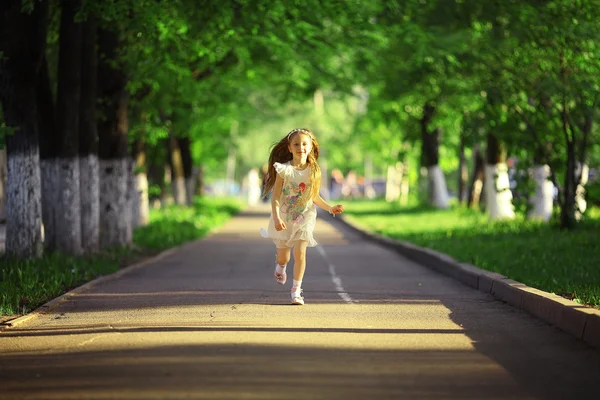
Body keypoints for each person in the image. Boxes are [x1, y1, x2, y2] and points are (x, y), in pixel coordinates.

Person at [260, 128, 344, 305]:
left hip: (304, 218)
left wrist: (330, 208)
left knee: (300, 253)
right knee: (285, 257)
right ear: (289, 147)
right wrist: (276, 218)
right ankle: (281, 266)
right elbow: (275, 197)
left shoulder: (314, 171)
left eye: (304, 144)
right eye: (296, 144)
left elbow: (314, 197)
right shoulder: (284, 170)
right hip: (284, 217)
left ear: (311, 147)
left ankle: (296, 291)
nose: (301, 147)